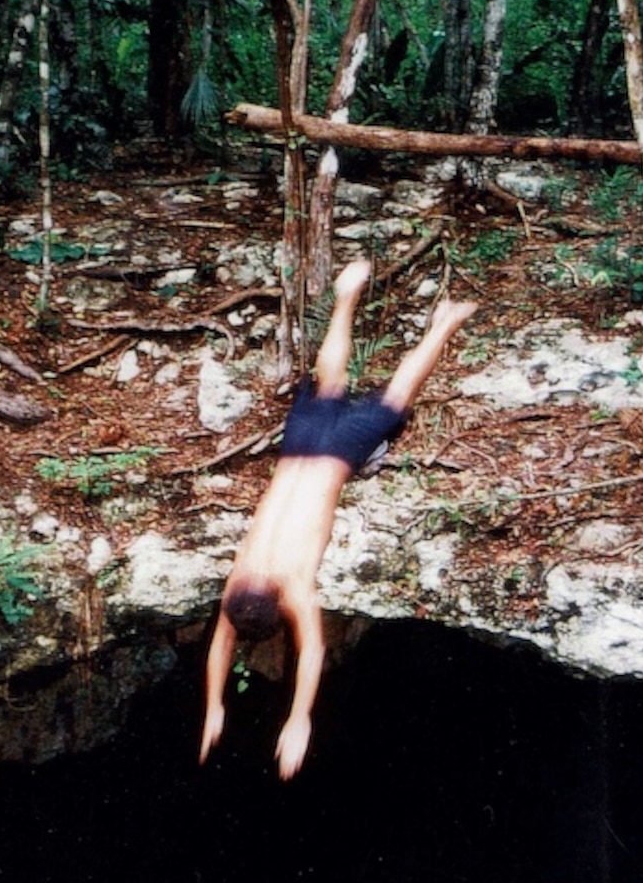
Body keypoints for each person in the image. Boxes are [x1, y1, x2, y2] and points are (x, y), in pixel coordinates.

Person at [199, 256, 476, 780]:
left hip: (338, 458)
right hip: (299, 448)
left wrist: (298, 719)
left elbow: (312, 652)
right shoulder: (241, 578)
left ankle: (445, 322)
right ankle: (347, 295)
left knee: (397, 397)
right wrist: (213, 704)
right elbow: (222, 641)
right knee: (330, 381)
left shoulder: (292, 589)